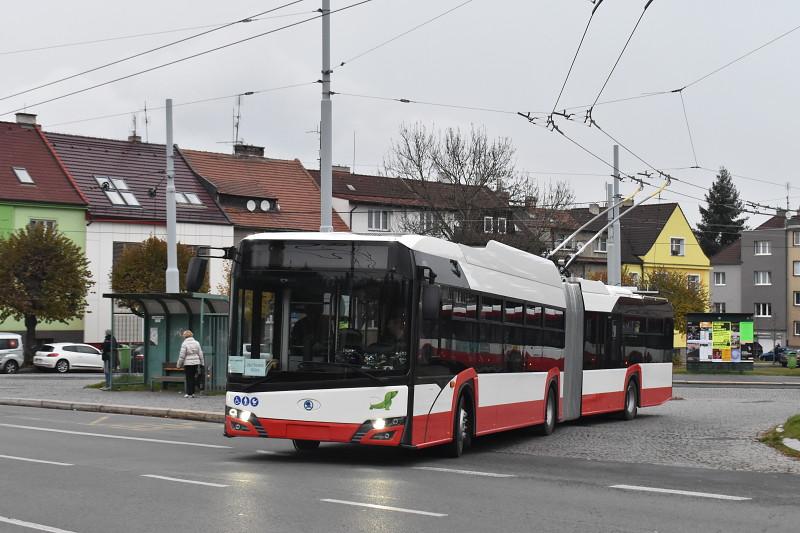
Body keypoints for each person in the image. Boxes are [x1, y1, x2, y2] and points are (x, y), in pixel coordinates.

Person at [177, 330, 204, 398]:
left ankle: (189, 393)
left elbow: (182, 356)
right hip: (196, 363)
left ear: (185, 336)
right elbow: (200, 353)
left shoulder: (184, 344)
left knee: (188, 378)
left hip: (188, 363)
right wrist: (202, 363)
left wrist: (179, 365)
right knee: (193, 377)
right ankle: (193, 393)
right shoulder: (197, 343)